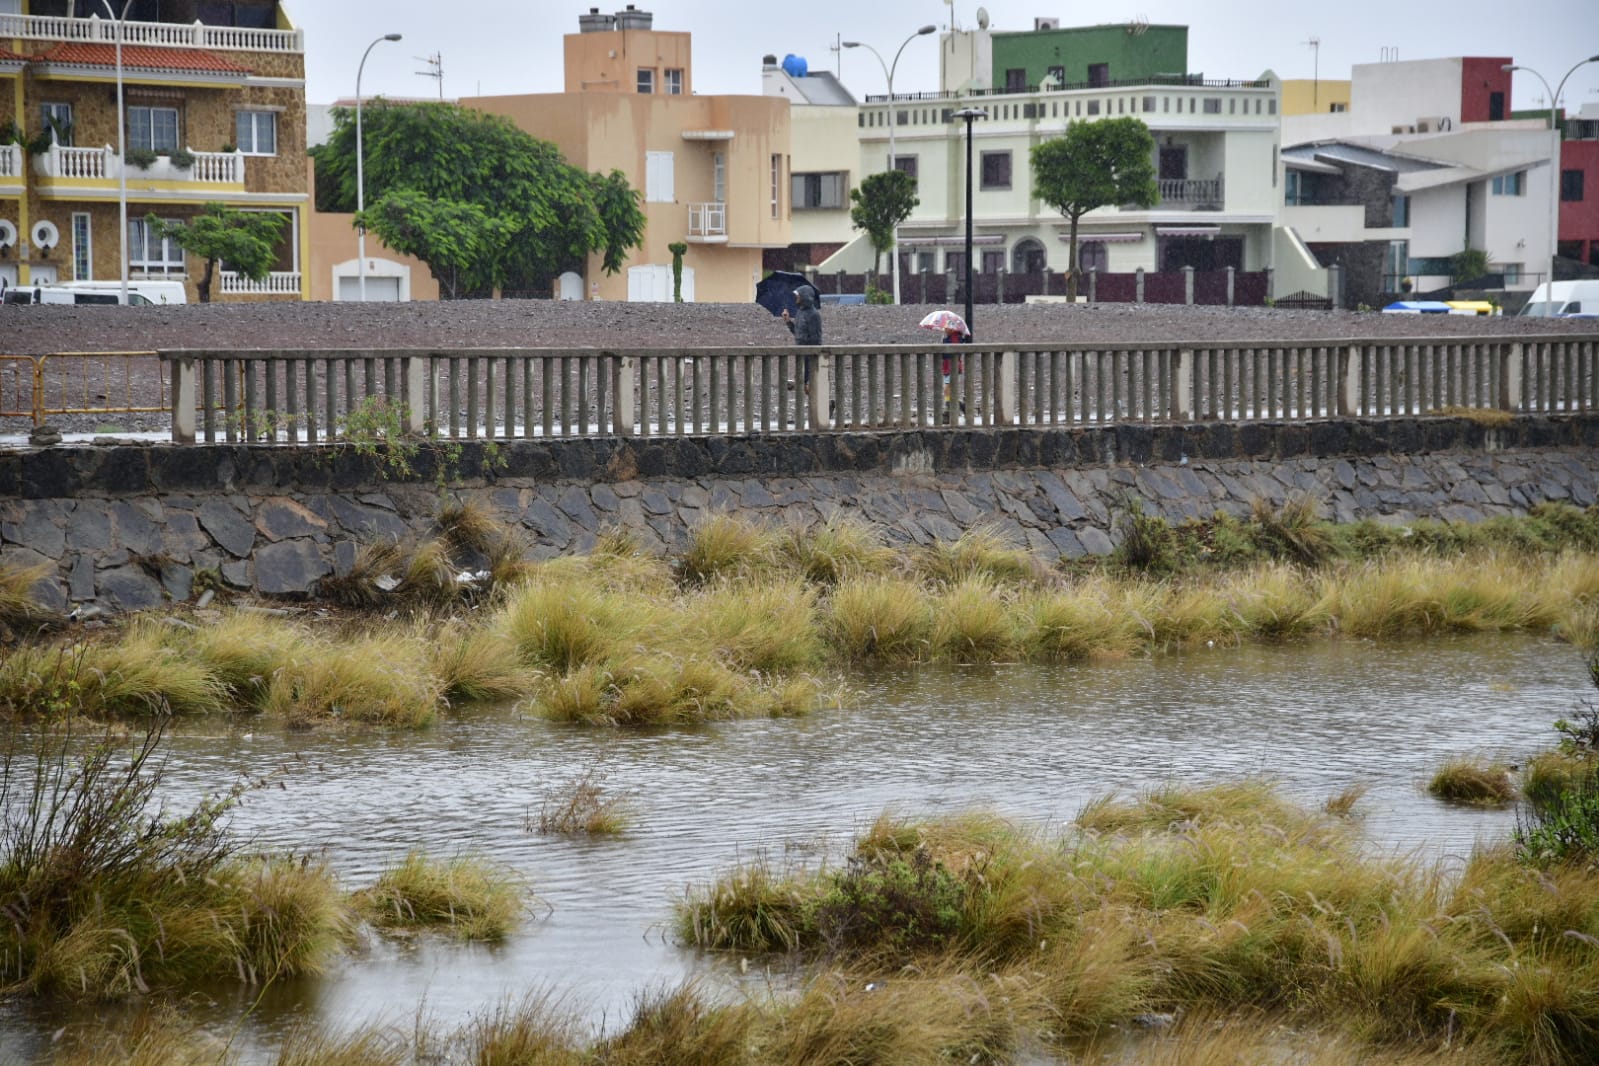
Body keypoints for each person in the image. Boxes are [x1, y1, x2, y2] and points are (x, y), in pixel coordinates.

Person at [781, 284, 822, 390]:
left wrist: (812, 355)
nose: (796, 298)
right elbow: (798, 333)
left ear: (804, 297)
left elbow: (816, 339)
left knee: (809, 385)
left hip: (810, 354)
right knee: (805, 385)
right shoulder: (800, 312)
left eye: (798, 296)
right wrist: (788, 321)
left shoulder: (814, 315)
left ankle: (825, 404)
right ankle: (825, 404)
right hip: (801, 353)